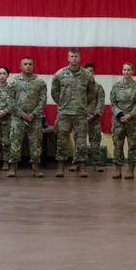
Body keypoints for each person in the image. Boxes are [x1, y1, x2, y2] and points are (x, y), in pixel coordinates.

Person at [50, 48, 96, 177]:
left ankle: (82, 168)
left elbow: (92, 93)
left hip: (80, 114)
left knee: (81, 142)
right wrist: (63, 104)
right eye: (71, 56)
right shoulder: (60, 74)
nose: (74, 59)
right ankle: (60, 167)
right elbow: (54, 92)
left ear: (80, 58)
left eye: (76, 56)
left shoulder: (87, 75)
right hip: (64, 113)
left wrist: (85, 108)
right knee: (61, 141)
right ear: (68, 58)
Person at [7, 56, 48, 178]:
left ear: (33, 66)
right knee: (15, 144)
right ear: (20, 66)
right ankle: (13, 168)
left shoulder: (40, 82)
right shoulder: (13, 82)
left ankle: (36, 168)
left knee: (36, 144)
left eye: (30, 64)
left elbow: (42, 99)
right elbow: (10, 100)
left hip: (34, 118)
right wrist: (22, 114)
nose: (28, 66)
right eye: (25, 64)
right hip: (18, 119)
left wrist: (34, 113)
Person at [109, 63, 136, 179]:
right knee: (118, 145)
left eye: (129, 70)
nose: (126, 72)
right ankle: (118, 169)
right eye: (124, 70)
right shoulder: (116, 86)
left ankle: (130, 169)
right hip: (118, 121)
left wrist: (130, 115)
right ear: (122, 71)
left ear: (132, 71)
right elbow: (113, 103)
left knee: (132, 146)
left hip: (133, 121)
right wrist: (120, 115)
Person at [84, 64, 106, 172]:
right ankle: (78, 164)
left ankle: (97, 164)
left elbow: (101, 102)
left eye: (91, 71)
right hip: (81, 119)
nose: (89, 73)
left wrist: (95, 115)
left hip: (94, 119)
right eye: (87, 71)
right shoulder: (80, 87)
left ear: (94, 72)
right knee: (79, 142)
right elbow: (76, 102)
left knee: (95, 142)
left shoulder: (98, 87)